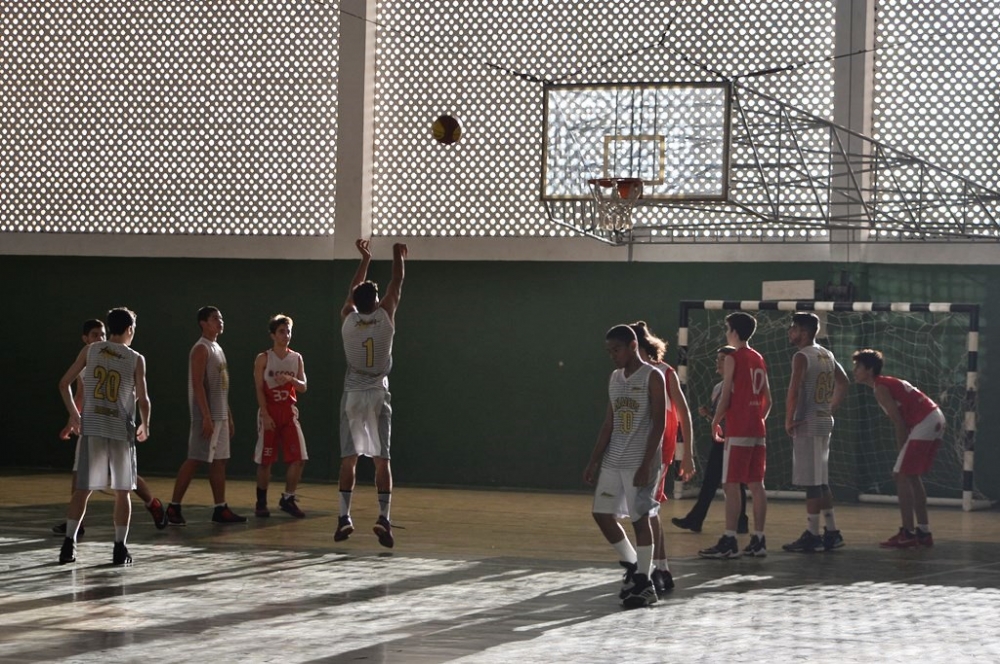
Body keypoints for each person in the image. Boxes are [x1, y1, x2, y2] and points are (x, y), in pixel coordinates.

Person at [54, 319, 167, 537]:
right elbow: (80, 394)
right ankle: (78, 528)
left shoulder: (121, 357)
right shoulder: (91, 355)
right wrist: (73, 420)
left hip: (113, 426)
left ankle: (151, 503)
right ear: (85, 339)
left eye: (102, 334)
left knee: (124, 482)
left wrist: (141, 420)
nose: (99, 338)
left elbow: (138, 396)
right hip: (93, 425)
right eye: (95, 334)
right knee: (81, 480)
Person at [583, 325, 666, 609]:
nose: (612, 356)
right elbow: (609, 423)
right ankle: (636, 566)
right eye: (609, 352)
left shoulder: (653, 377)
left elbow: (659, 424)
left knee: (639, 519)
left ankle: (644, 583)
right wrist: (594, 460)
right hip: (614, 459)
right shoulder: (615, 378)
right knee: (602, 514)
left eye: (616, 350)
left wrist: (646, 464)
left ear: (633, 346)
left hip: (639, 460)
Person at [336, 239, 407, 548]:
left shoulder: (349, 319)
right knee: (382, 460)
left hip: (353, 393)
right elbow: (397, 282)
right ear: (377, 301)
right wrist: (397, 255)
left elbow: (354, 290)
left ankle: (344, 517)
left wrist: (365, 259)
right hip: (377, 393)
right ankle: (383, 519)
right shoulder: (386, 317)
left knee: (349, 459)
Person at [852, 348, 944, 548]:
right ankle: (923, 532)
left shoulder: (880, 388)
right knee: (910, 475)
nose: (855, 370)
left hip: (926, 421)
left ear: (869, 370)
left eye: (858, 367)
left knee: (901, 474)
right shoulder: (885, 384)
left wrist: (902, 449)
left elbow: (899, 422)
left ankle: (909, 533)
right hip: (934, 418)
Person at [699, 311, 771, 559]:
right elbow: (768, 400)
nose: (725, 332)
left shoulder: (734, 357)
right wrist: (756, 419)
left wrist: (716, 420)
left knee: (730, 484)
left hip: (739, 429)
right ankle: (759, 540)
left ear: (734, 332)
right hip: (758, 429)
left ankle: (729, 539)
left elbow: (727, 393)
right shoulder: (759, 358)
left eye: (727, 328)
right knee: (756, 485)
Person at [630, 322, 694, 597]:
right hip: (636, 448)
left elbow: (683, 412)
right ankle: (661, 568)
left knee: (646, 510)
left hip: (659, 449)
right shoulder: (628, 375)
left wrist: (687, 453)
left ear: (638, 347)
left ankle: (657, 568)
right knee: (647, 510)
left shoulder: (664, 373)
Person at [165, 306, 246, 525]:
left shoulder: (217, 347)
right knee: (195, 458)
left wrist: (227, 414)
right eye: (215, 318)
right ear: (203, 322)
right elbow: (198, 384)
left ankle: (220, 509)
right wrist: (207, 416)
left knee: (220, 461)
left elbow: (222, 386)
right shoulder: (201, 348)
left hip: (219, 414)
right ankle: (173, 507)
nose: (220, 321)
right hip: (205, 415)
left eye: (221, 317)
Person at [781, 313, 850, 553]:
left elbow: (794, 390)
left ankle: (812, 534)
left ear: (804, 332)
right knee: (821, 480)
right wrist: (830, 408)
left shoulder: (802, 356)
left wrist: (789, 418)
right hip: (823, 421)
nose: (790, 332)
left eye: (794, 328)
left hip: (807, 422)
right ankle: (831, 531)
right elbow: (843, 382)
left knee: (812, 483)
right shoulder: (826, 354)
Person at [672, 346, 749, 534]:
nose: (718, 362)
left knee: (734, 482)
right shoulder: (718, 387)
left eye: (723, 358)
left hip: (735, 440)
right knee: (713, 481)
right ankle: (698, 519)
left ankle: (736, 521)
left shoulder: (738, 386)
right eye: (718, 358)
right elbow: (720, 419)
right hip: (720, 441)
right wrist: (709, 415)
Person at [253, 314, 308, 519]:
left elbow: (303, 387)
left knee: (299, 458)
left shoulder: (296, 358)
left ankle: (288, 498)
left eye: (289, 331)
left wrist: (290, 379)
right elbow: (259, 388)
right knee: (266, 460)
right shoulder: (263, 358)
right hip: (270, 410)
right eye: (282, 332)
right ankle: (261, 501)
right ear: (273, 335)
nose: (286, 335)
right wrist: (265, 414)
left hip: (288, 411)